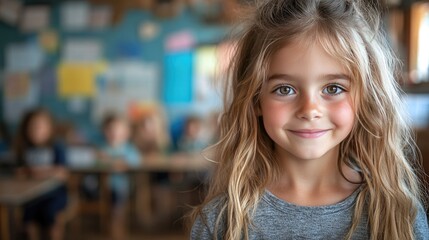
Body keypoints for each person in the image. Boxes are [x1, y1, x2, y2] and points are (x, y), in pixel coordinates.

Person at [190, 0, 429, 239]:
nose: (310, 109)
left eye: (334, 88)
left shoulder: (399, 214)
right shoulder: (221, 221)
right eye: (284, 89)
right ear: (255, 100)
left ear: (365, 97)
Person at [14, 108, 68, 240]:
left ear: (50, 128)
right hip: (30, 195)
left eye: (41, 126)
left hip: (54, 193)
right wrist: (27, 173)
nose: (37, 130)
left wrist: (38, 172)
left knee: (50, 214)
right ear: (25, 129)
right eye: (32, 126)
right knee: (27, 216)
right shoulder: (23, 147)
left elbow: (63, 173)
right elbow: (19, 172)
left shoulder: (56, 146)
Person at [98, 113, 140, 239]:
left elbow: (135, 161)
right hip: (101, 187)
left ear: (126, 132)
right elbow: (94, 162)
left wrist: (115, 163)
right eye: (110, 129)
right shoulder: (102, 148)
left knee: (117, 209)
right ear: (104, 131)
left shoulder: (128, 149)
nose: (114, 133)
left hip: (121, 186)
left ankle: (117, 232)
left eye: (118, 130)